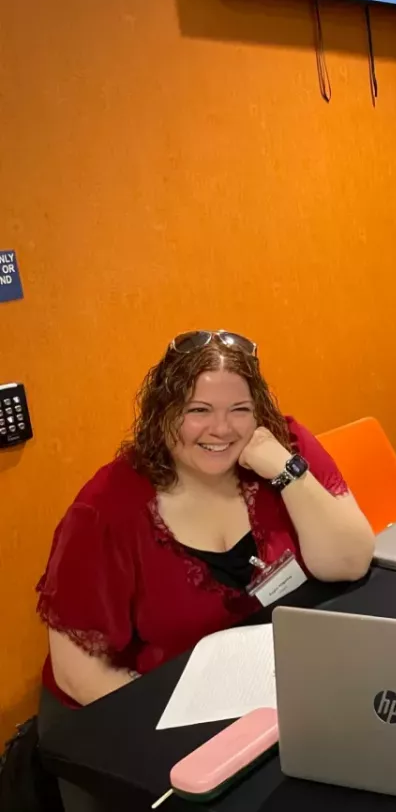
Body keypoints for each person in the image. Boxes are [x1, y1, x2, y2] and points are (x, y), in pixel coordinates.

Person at [36, 330, 374, 810]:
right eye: (198, 410)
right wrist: (204, 738)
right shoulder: (106, 509)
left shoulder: (283, 442)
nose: (222, 429)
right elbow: (79, 675)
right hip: (138, 715)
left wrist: (287, 470)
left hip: (259, 694)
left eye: (239, 409)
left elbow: (350, 561)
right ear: (162, 413)